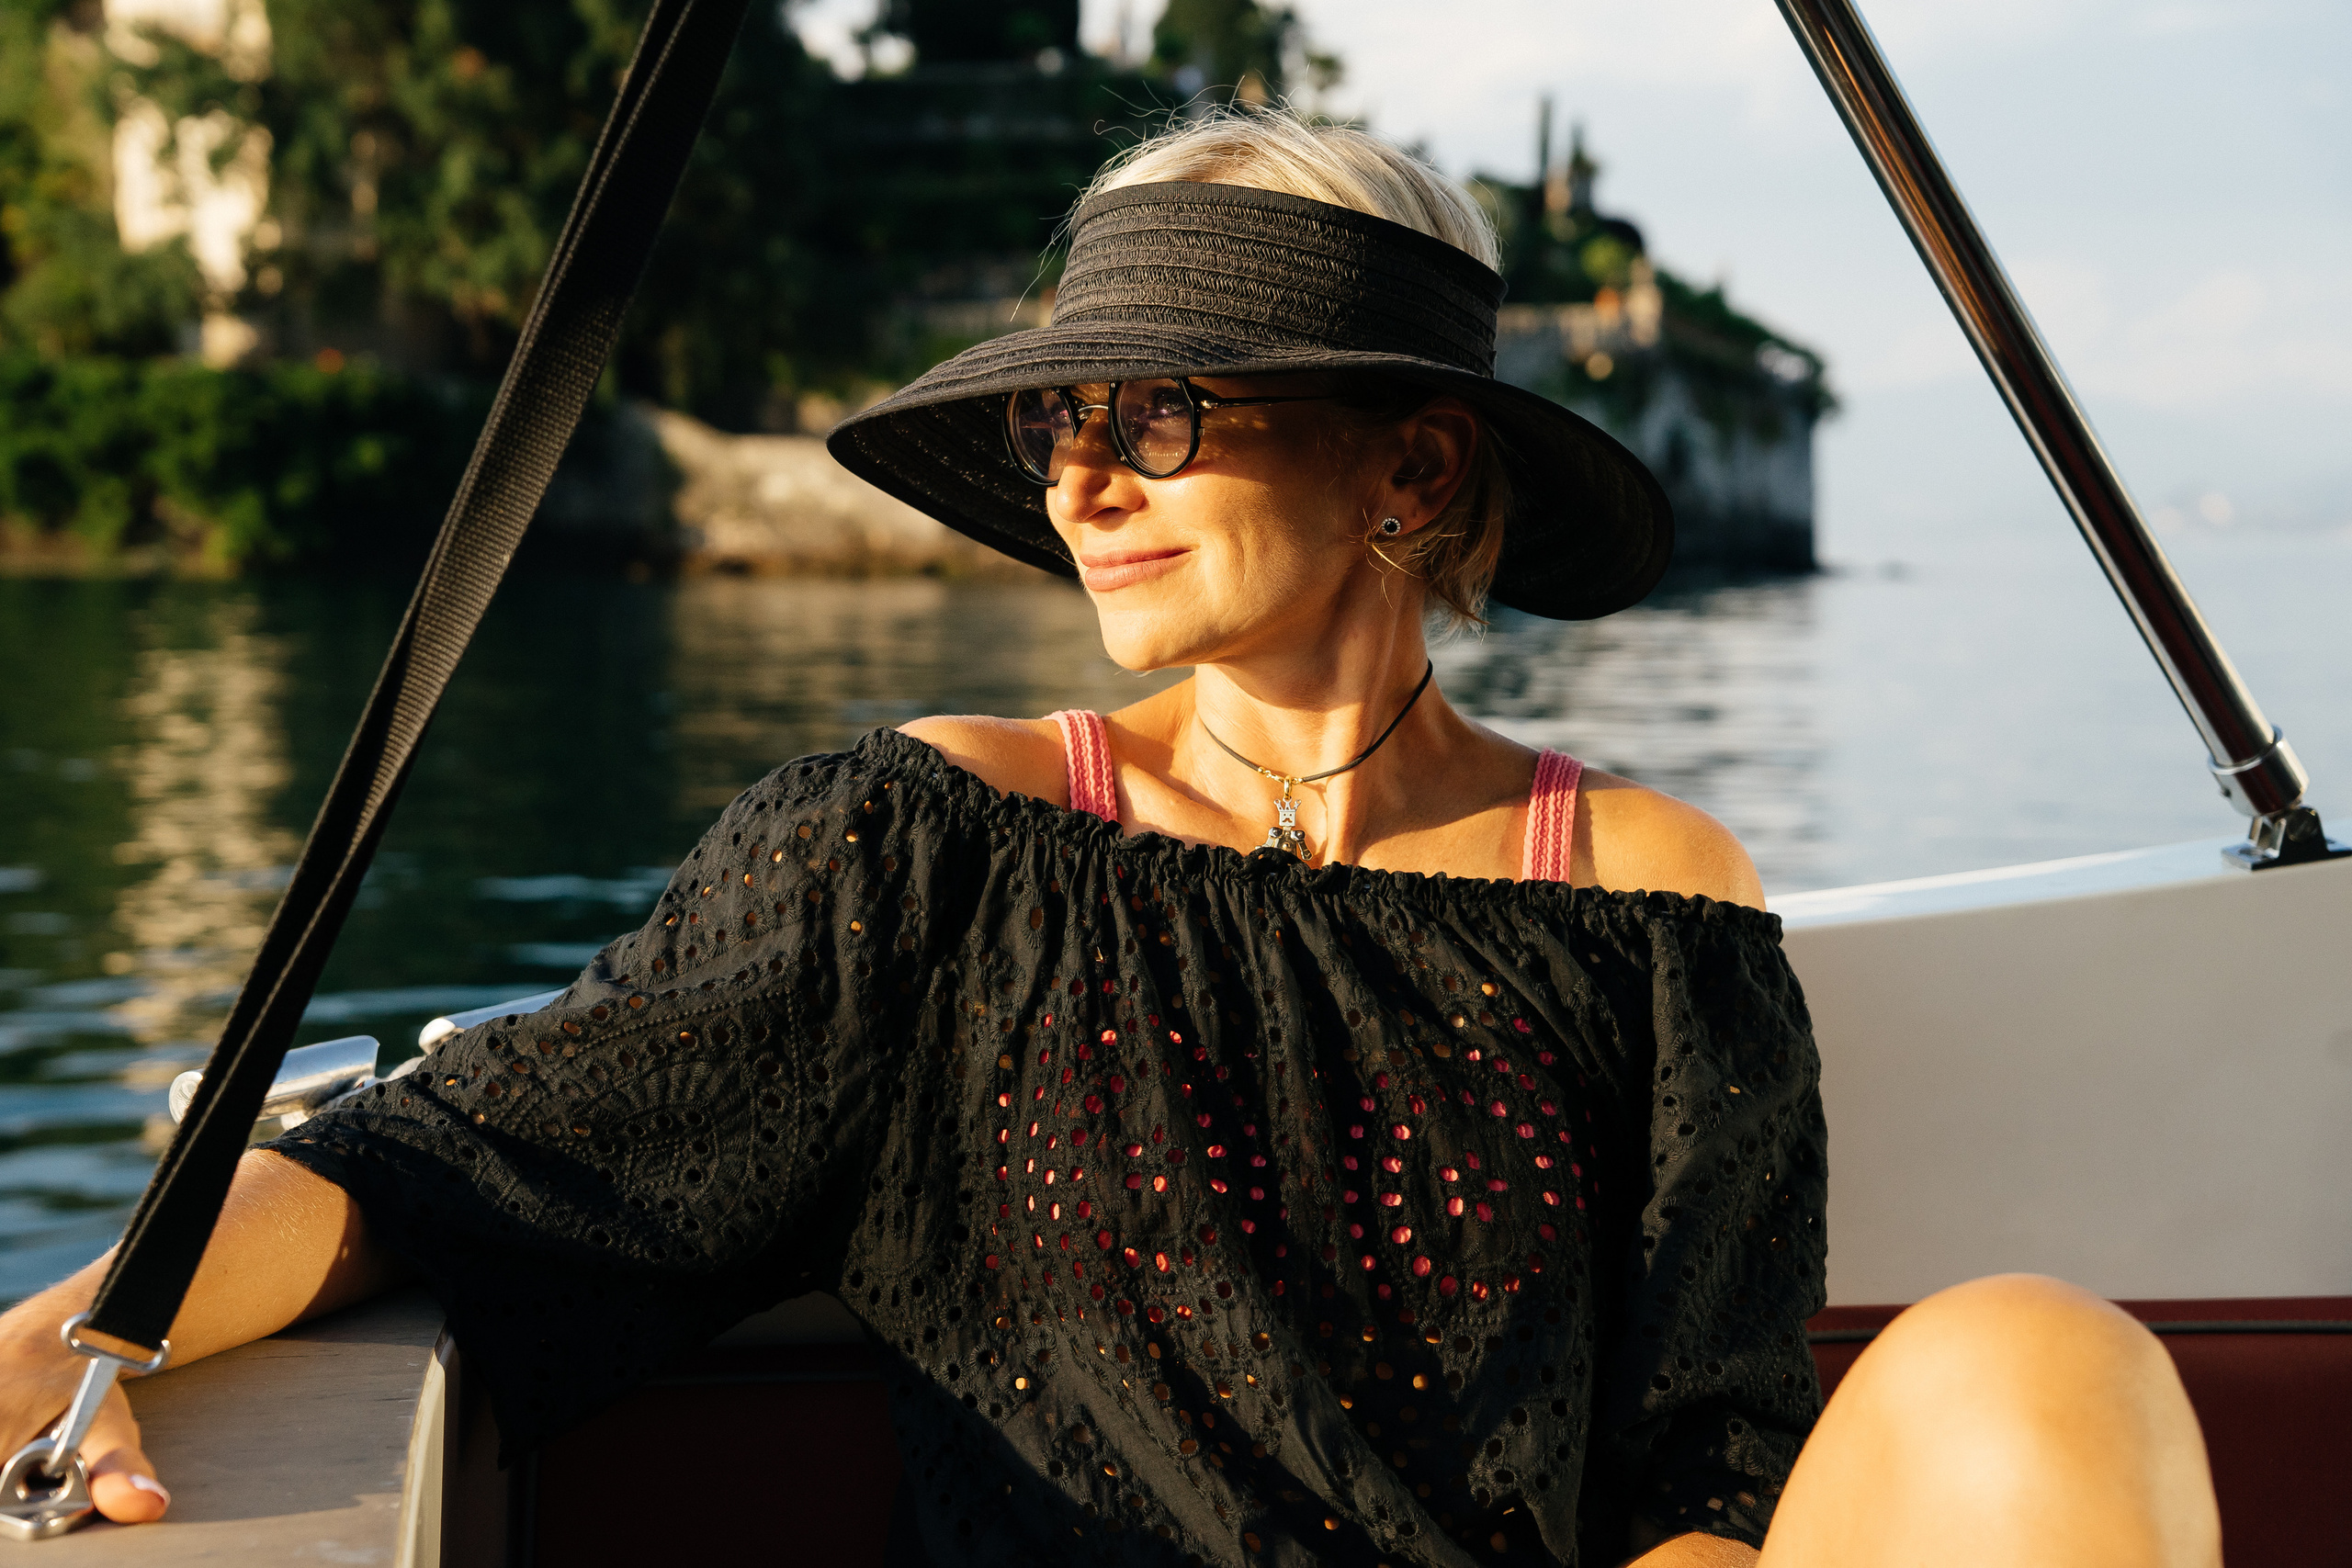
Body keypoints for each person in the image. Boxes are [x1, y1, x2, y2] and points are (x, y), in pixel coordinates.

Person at [0, 107, 2219, 1566]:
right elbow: (464, 1171)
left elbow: (1693, 1485)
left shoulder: (1647, 902)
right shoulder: (928, 851)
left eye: (1156, 409)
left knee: (2040, 1363)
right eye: (1065, 414)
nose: (1076, 476)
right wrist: (67, 1338)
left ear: (1411, 470)